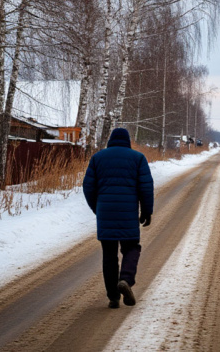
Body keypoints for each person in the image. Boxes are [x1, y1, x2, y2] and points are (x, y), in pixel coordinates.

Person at [83, 128, 154, 309]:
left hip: (105, 212)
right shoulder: (138, 158)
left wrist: (97, 208)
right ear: (128, 141)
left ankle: (113, 297)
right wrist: (146, 211)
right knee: (131, 247)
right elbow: (146, 187)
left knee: (109, 255)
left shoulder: (97, 158)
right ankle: (126, 280)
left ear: (110, 140)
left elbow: (88, 187)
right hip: (128, 213)